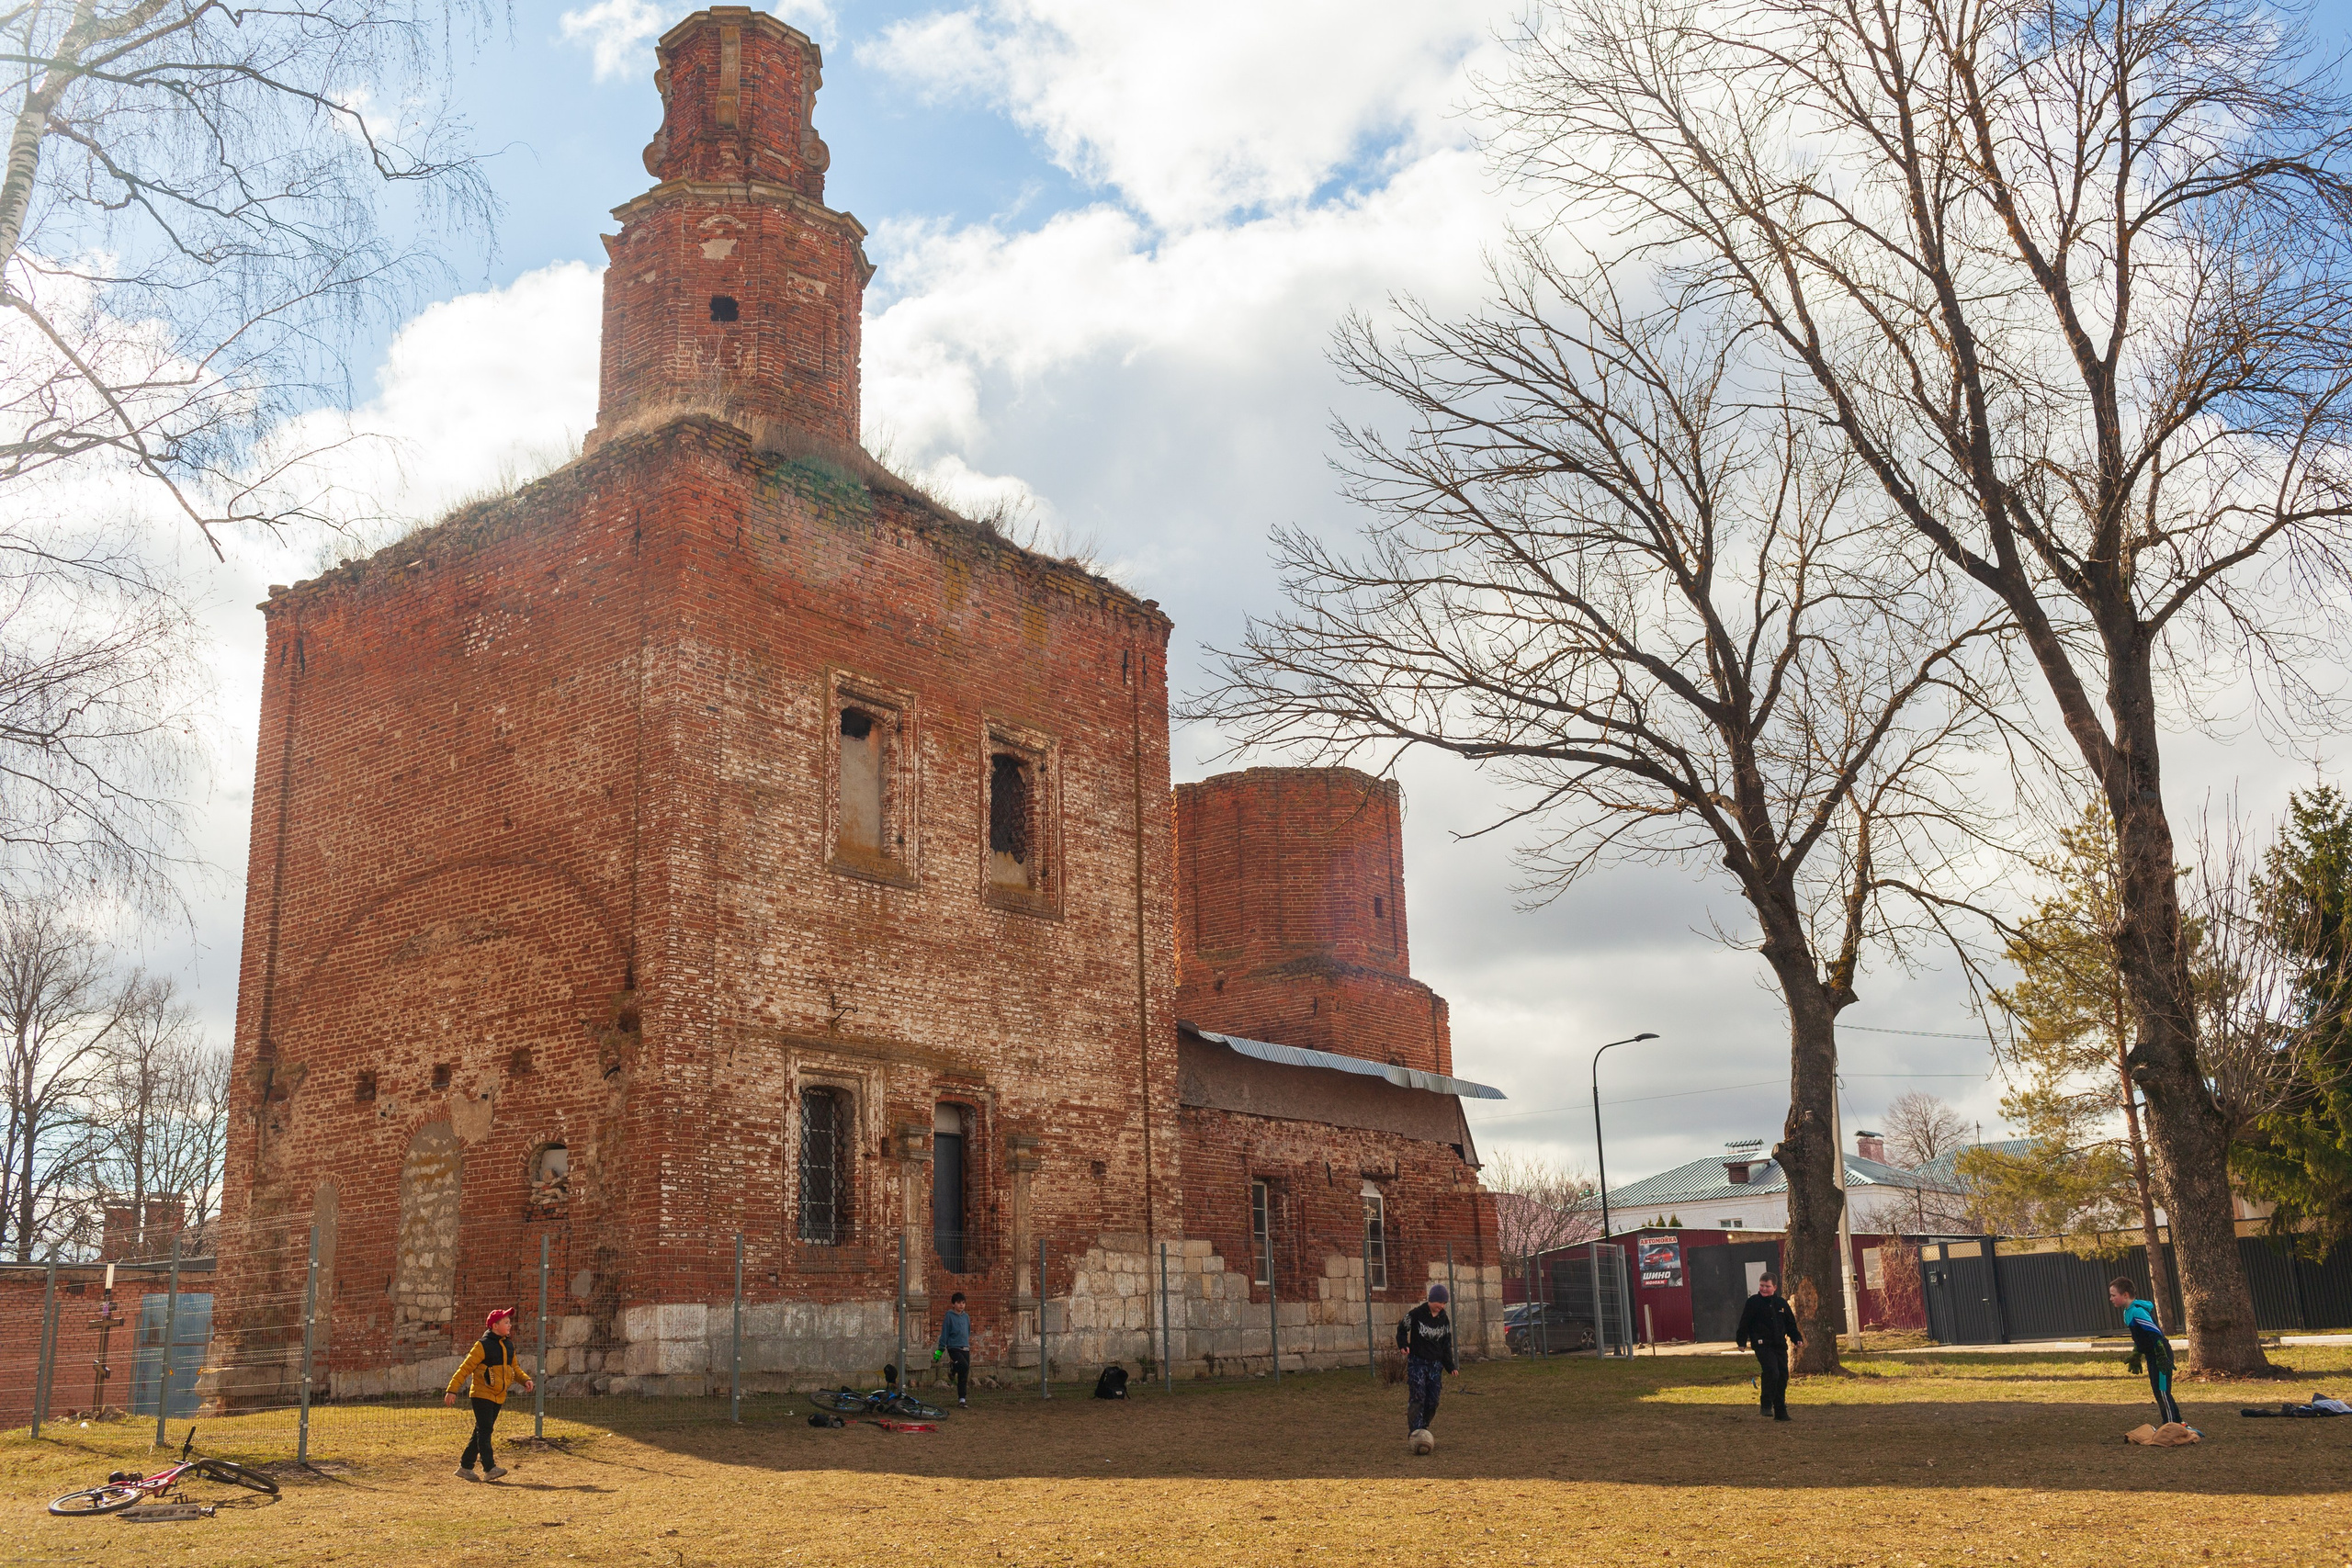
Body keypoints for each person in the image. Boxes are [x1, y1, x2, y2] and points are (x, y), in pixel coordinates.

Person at [445, 1306, 534, 1481]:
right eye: (506, 1322)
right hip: (481, 1394)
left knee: (481, 1431)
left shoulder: (509, 1345)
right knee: (485, 1430)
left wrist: (525, 1380)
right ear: (494, 1326)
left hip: (498, 1395)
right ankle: (489, 1468)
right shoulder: (482, 1345)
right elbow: (465, 1368)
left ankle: (465, 1467)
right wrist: (452, 1390)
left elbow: (514, 1368)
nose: (510, 1325)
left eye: (509, 1322)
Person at [2111, 1277, 2182, 1427]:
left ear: (2125, 1295)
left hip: (2161, 1354)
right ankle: (2176, 1423)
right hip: (2151, 1355)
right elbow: (2140, 1337)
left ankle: (2170, 1425)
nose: (2111, 1299)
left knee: (2162, 1391)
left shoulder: (2138, 1311)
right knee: (2157, 1390)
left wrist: (2161, 1356)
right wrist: (2137, 1353)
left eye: (2113, 1295)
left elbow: (2155, 1333)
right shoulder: (2127, 1312)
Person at [1395, 1281, 1458, 1446]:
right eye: (1439, 1302)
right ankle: (1415, 1432)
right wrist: (1403, 1345)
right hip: (1417, 1362)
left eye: (1444, 1303)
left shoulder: (1444, 1320)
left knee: (1433, 1400)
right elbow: (1402, 1328)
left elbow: (1446, 1344)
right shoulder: (1416, 1314)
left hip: (1435, 1365)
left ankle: (1424, 1426)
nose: (1441, 1306)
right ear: (1431, 1300)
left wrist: (1450, 1366)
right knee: (1418, 1396)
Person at [1736, 1273, 1802, 1422]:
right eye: (1762, 1285)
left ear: (1775, 1287)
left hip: (1779, 1345)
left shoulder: (1781, 1303)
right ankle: (1766, 1403)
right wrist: (1741, 1341)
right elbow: (1744, 1323)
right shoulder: (1753, 1302)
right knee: (1772, 1371)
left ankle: (1780, 1411)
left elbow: (1790, 1324)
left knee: (1782, 1376)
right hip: (1762, 1345)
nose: (1764, 1289)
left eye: (1767, 1286)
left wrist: (1797, 1338)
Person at [934, 1290, 972, 1407]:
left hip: (965, 1347)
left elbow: (968, 1331)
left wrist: (965, 1342)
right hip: (953, 1347)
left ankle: (962, 1400)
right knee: (964, 1366)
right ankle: (953, 1369)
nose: (961, 1305)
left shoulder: (966, 1317)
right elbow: (945, 1333)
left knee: (964, 1373)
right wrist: (939, 1351)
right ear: (953, 1304)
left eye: (963, 1303)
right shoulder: (949, 1316)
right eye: (959, 1303)